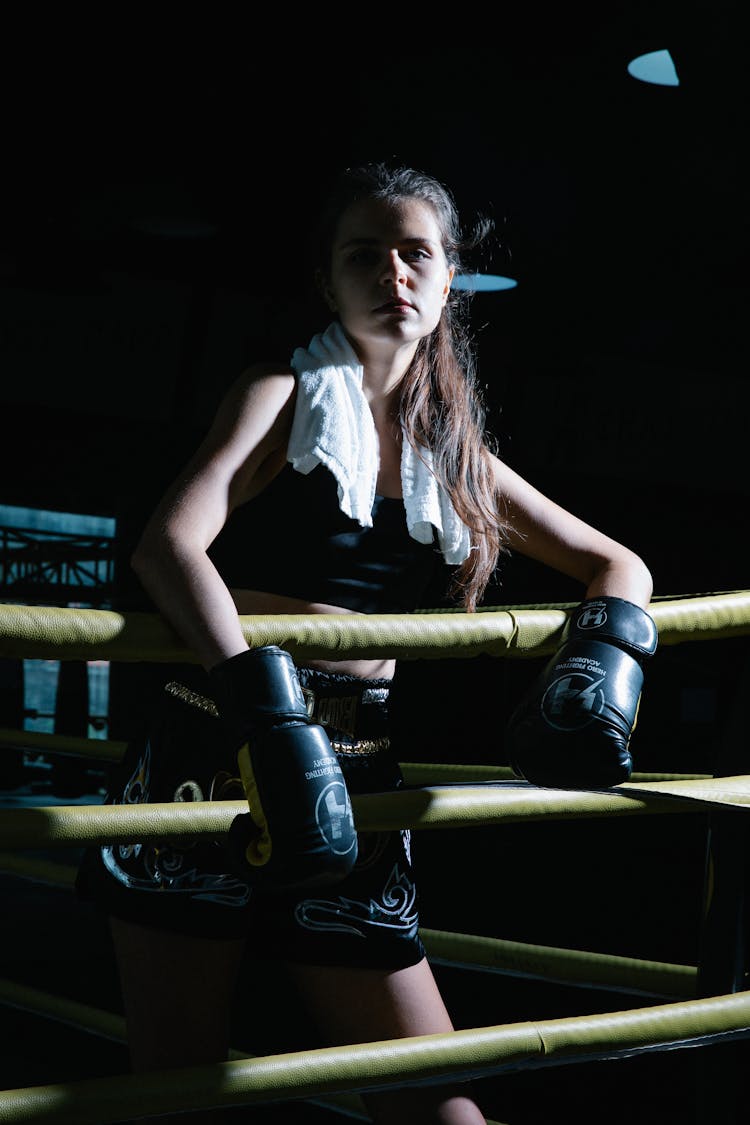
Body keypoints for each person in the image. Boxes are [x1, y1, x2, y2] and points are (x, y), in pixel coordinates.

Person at [76, 162, 655, 1124]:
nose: (393, 270)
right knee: (173, 1090)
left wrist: (598, 672)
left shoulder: (453, 448)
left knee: (439, 1108)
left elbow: (618, 564)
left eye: (416, 252)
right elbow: (167, 544)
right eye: (364, 253)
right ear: (328, 280)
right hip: (215, 747)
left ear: (447, 280)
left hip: (356, 763)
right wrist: (267, 715)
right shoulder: (279, 393)